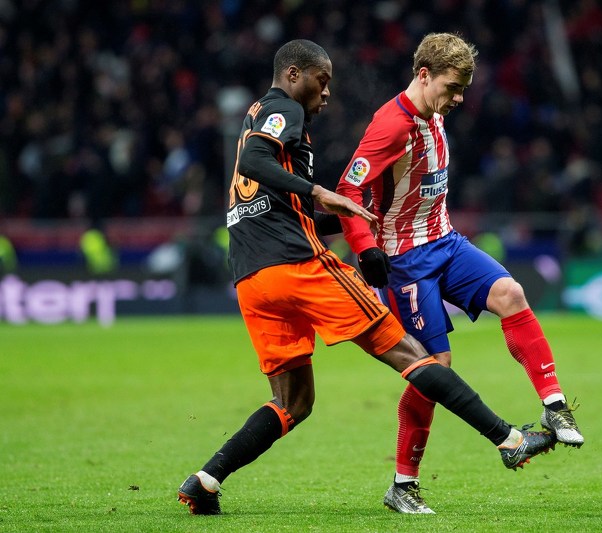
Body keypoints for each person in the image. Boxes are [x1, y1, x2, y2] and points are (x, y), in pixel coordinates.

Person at [176, 38, 557, 516]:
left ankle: (205, 480)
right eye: (322, 80)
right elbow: (258, 162)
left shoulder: (260, 115)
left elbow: (282, 203)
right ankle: (509, 439)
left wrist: (356, 215)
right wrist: (324, 194)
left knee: (293, 403)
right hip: (299, 268)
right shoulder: (281, 110)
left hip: (252, 279)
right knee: (415, 355)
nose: (328, 92)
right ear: (294, 74)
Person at [335, 33, 584, 515]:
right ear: (423, 75)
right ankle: (403, 484)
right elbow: (348, 187)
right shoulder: (389, 126)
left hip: (446, 241)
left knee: (511, 293)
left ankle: (554, 405)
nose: (459, 98)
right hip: (404, 260)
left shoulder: (436, 112)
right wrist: (365, 249)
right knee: (435, 370)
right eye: (453, 87)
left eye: (464, 88)